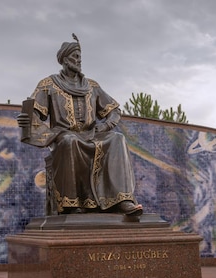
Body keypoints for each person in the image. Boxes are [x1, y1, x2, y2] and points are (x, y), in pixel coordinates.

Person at [17, 36, 142, 216]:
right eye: (75, 56)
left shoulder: (92, 86)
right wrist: (26, 122)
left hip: (92, 135)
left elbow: (114, 111)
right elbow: (34, 113)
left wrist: (106, 126)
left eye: (80, 56)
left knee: (117, 139)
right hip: (63, 135)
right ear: (64, 60)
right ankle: (71, 203)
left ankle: (122, 200)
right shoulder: (48, 85)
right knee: (70, 141)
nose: (79, 60)